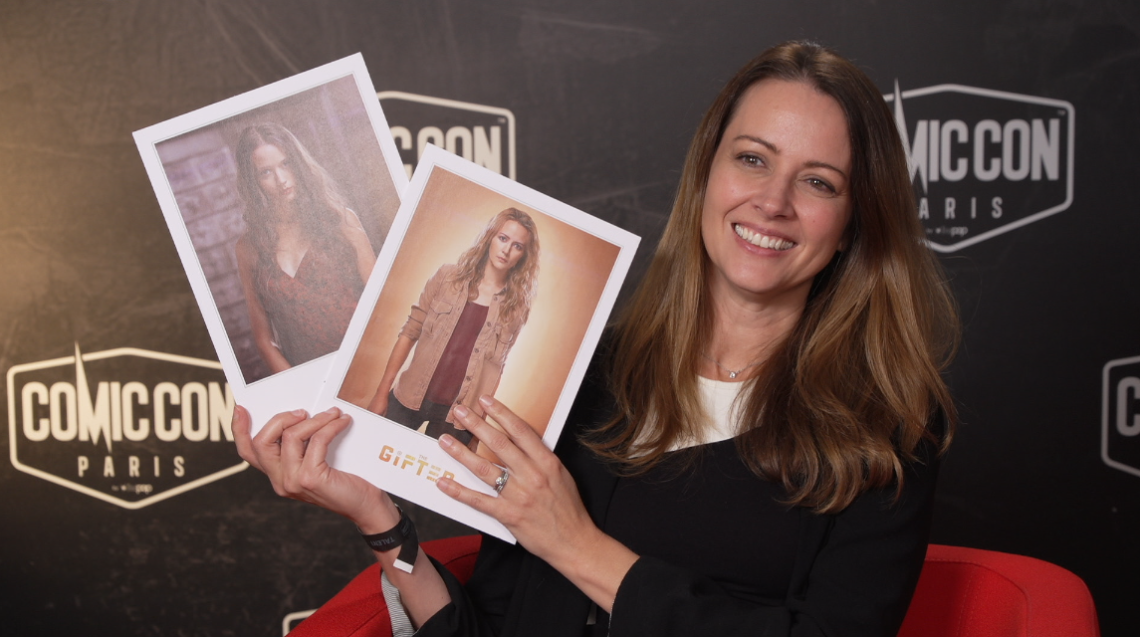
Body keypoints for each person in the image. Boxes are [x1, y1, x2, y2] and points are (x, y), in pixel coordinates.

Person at [233, 40, 959, 637]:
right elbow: (493, 626)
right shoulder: (593, 374)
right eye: (752, 158)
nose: (772, 200)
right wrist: (377, 515)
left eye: (820, 182)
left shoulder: (883, 431)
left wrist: (577, 546)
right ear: (706, 173)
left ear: (854, 225)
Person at [365, 208, 540, 450]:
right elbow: (409, 332)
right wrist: (381, 392)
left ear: (523, 256)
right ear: (490, 237)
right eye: (503, 238)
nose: (507, 250)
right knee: (374, 455)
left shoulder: (516, 307)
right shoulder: (447, 276)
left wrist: (479, 429)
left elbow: (495, 370)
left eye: (518, 246)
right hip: (408, 397)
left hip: (458, 416)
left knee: (429, 485)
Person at [233, 122, 376, 375]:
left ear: (298, 163)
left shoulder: (341, 221)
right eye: (265, 172)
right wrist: (299, 387)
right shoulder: (248, 249)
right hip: (309, 375)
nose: (281, 179)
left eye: (286, 164)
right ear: (252, 181)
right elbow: (264, 341)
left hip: (368, 360)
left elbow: (383, 301)